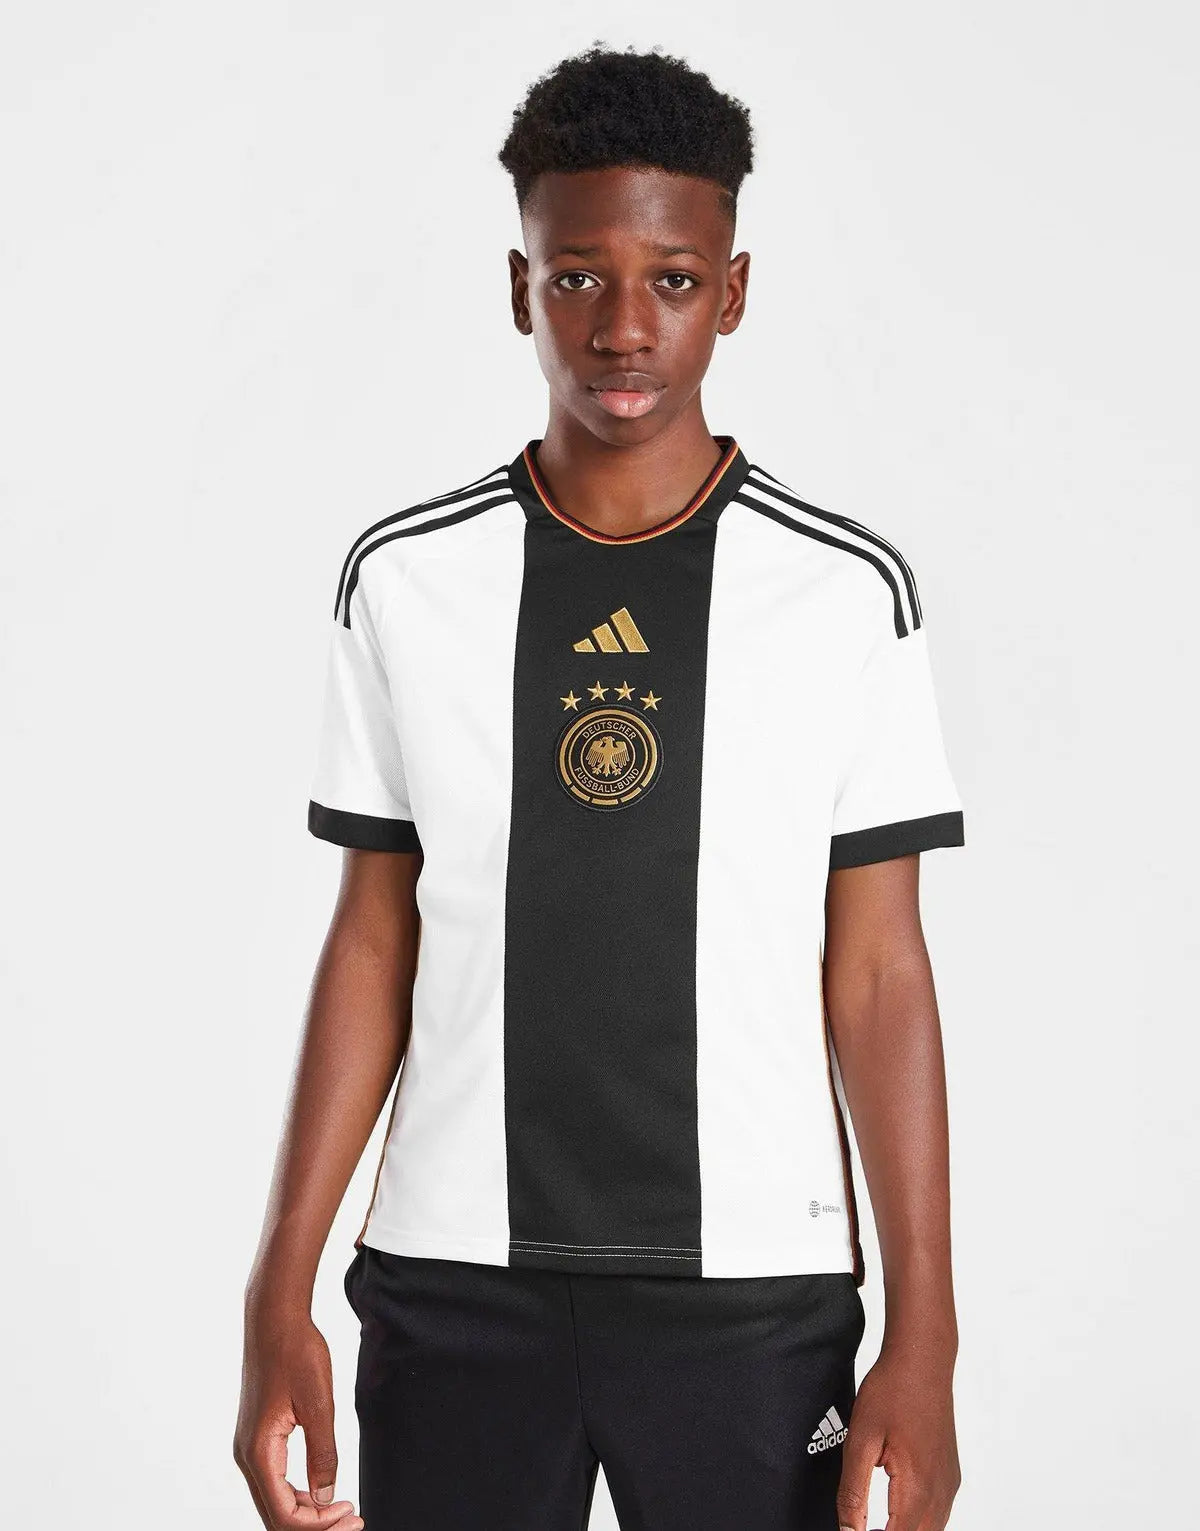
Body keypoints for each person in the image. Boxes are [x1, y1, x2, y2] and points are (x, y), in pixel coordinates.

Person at [235, 42, 965, 1531]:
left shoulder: (844, 593)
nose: (624, 327)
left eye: (673, 281)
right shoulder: (406, 581)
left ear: (733, 292)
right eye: (577, 277)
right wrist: (277, 1286)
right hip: (455, 1284)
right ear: (521, 289)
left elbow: (882, 969)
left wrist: (927, 1337)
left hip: (753, 1300)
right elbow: (374, 935)